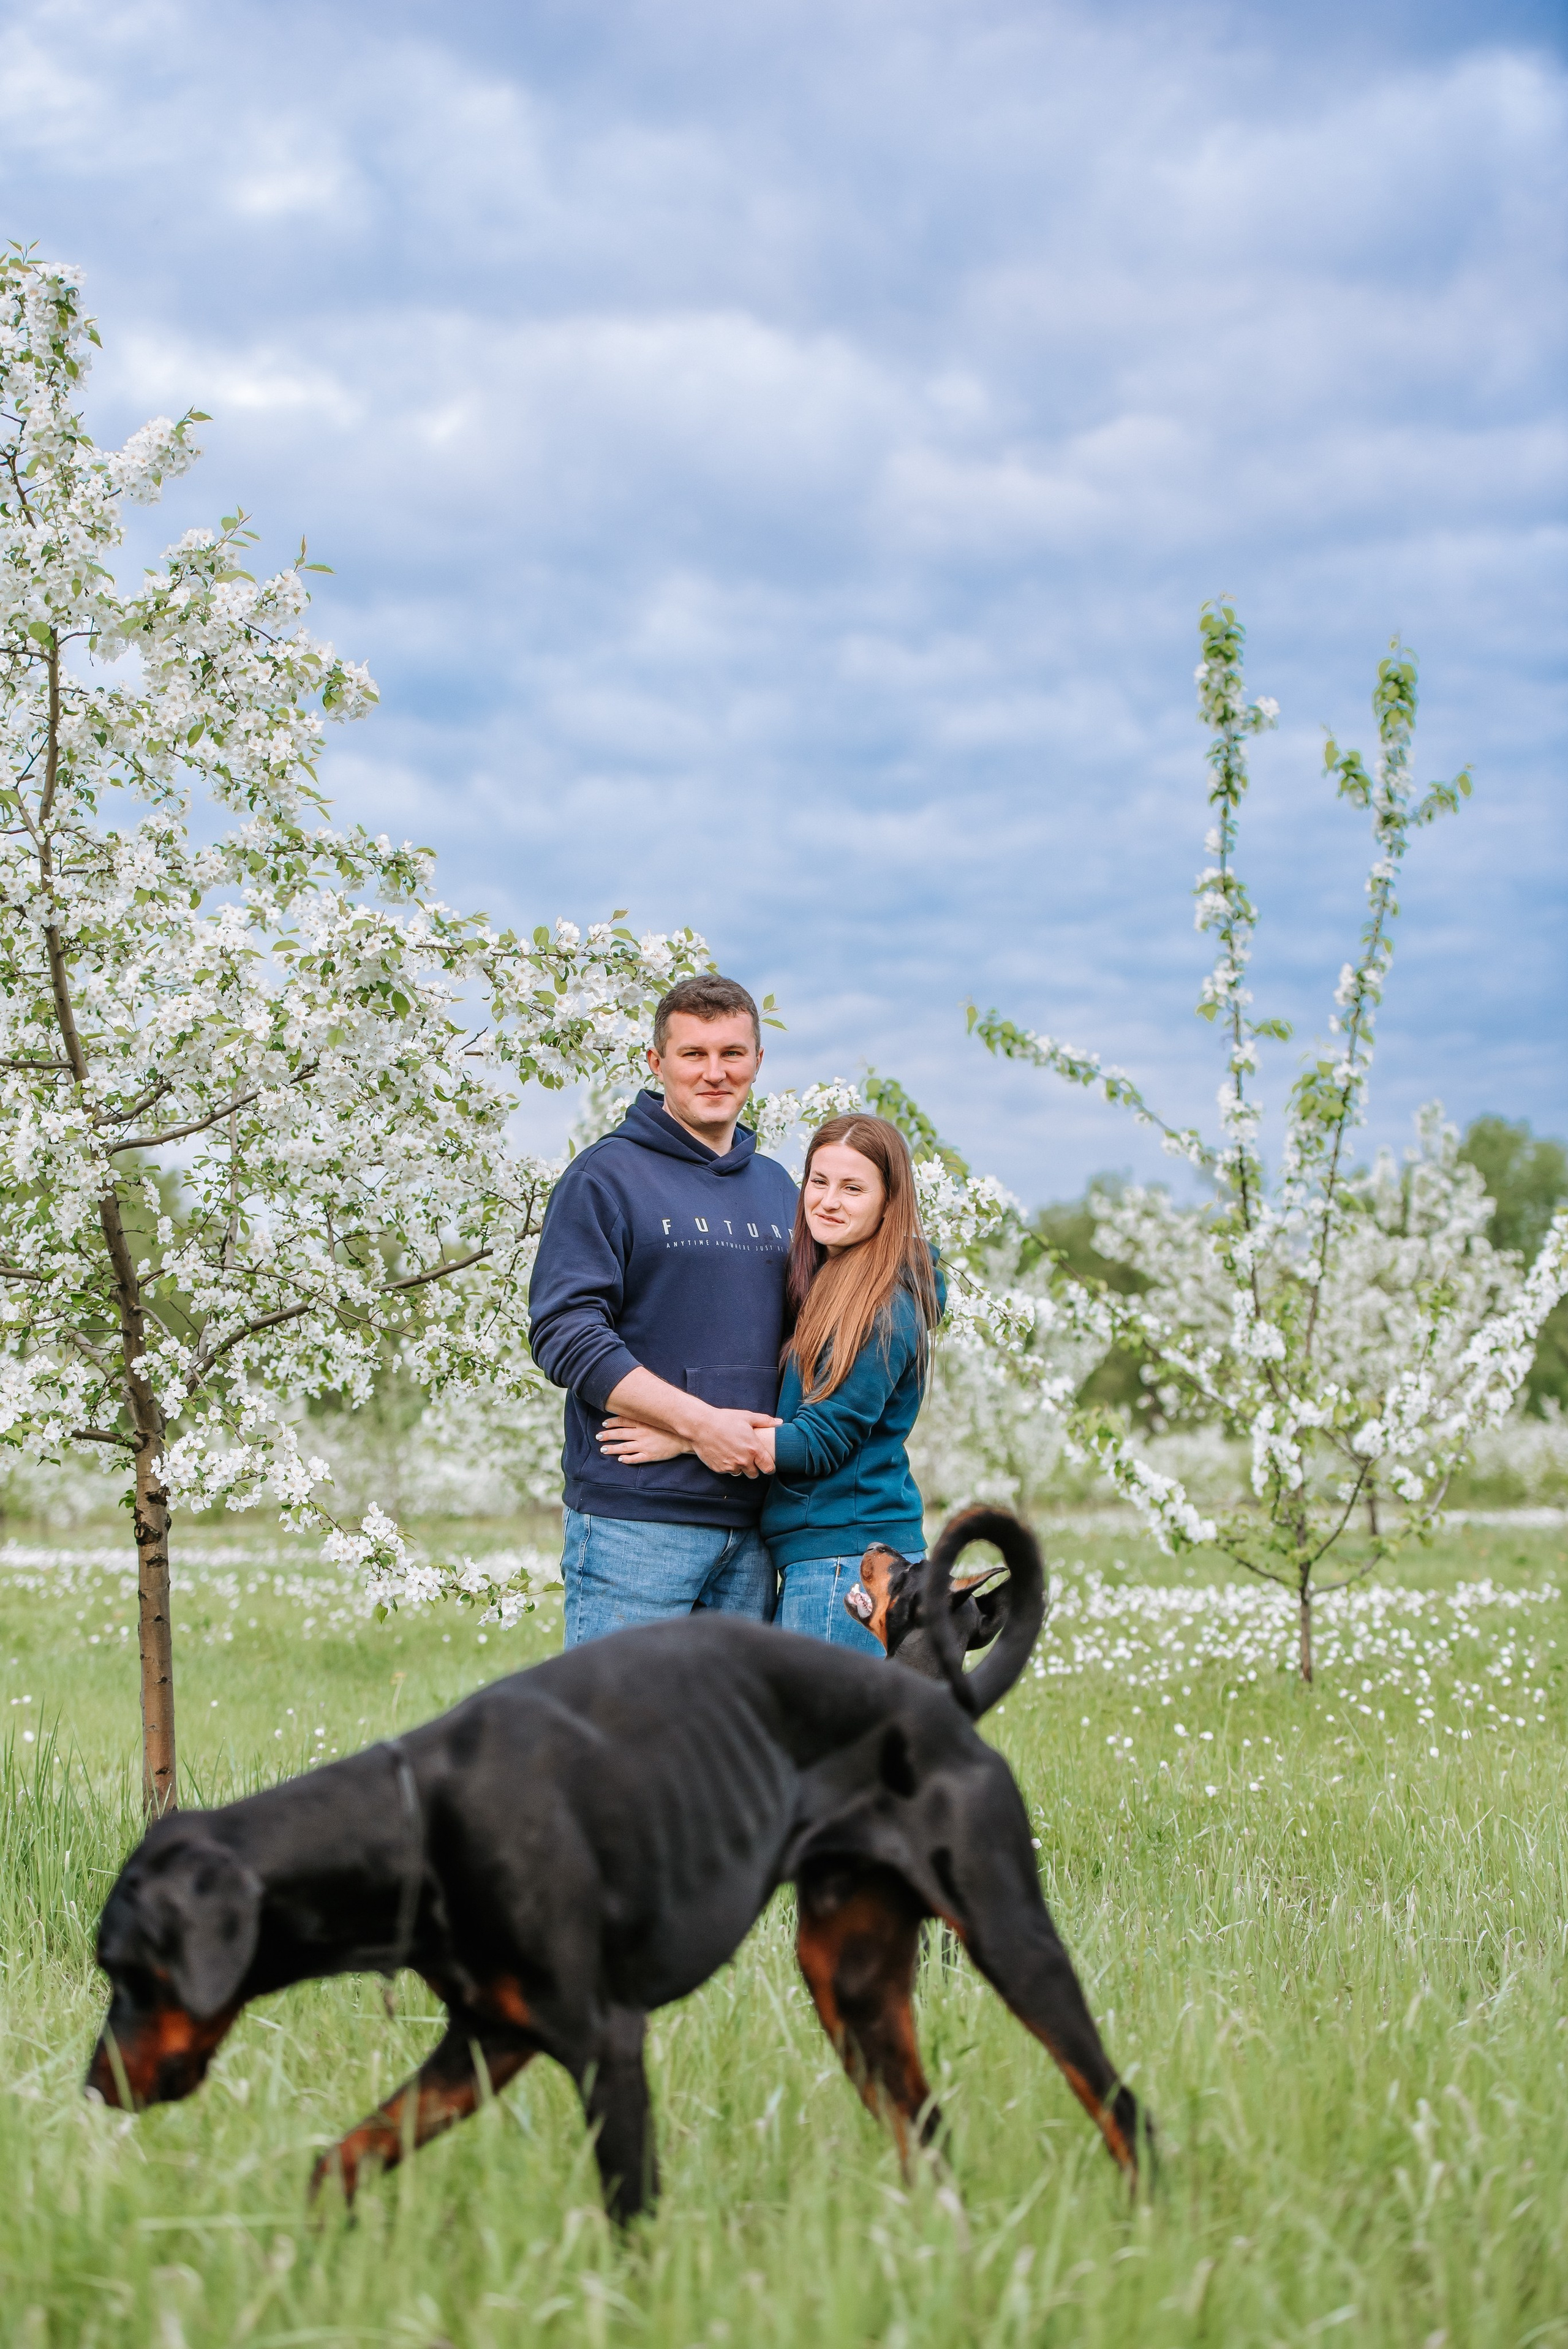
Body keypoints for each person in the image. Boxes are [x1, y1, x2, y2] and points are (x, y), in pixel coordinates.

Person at [600, 1113, 943, 1653]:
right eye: (819, 1180)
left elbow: (821, 1439)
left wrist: (689, 1436)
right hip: (831, 1556)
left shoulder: (883, 1306)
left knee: (815, 1738)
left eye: (853, 1188)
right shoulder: (834, 1280)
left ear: (888, 1202)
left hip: (846, 1560)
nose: (828, 1200)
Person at [528, 974, 798, 1647]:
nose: (714, 1073)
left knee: (723, 1748)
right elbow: (565, 1334)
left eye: (732, 1054)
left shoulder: (780, 1189)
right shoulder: (605, 1177)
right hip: (637, 1523)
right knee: (614, 1737)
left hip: (757, 1523)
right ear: (656, 1063)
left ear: (757, 1063)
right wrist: (699, 1426)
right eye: (693, 1054)